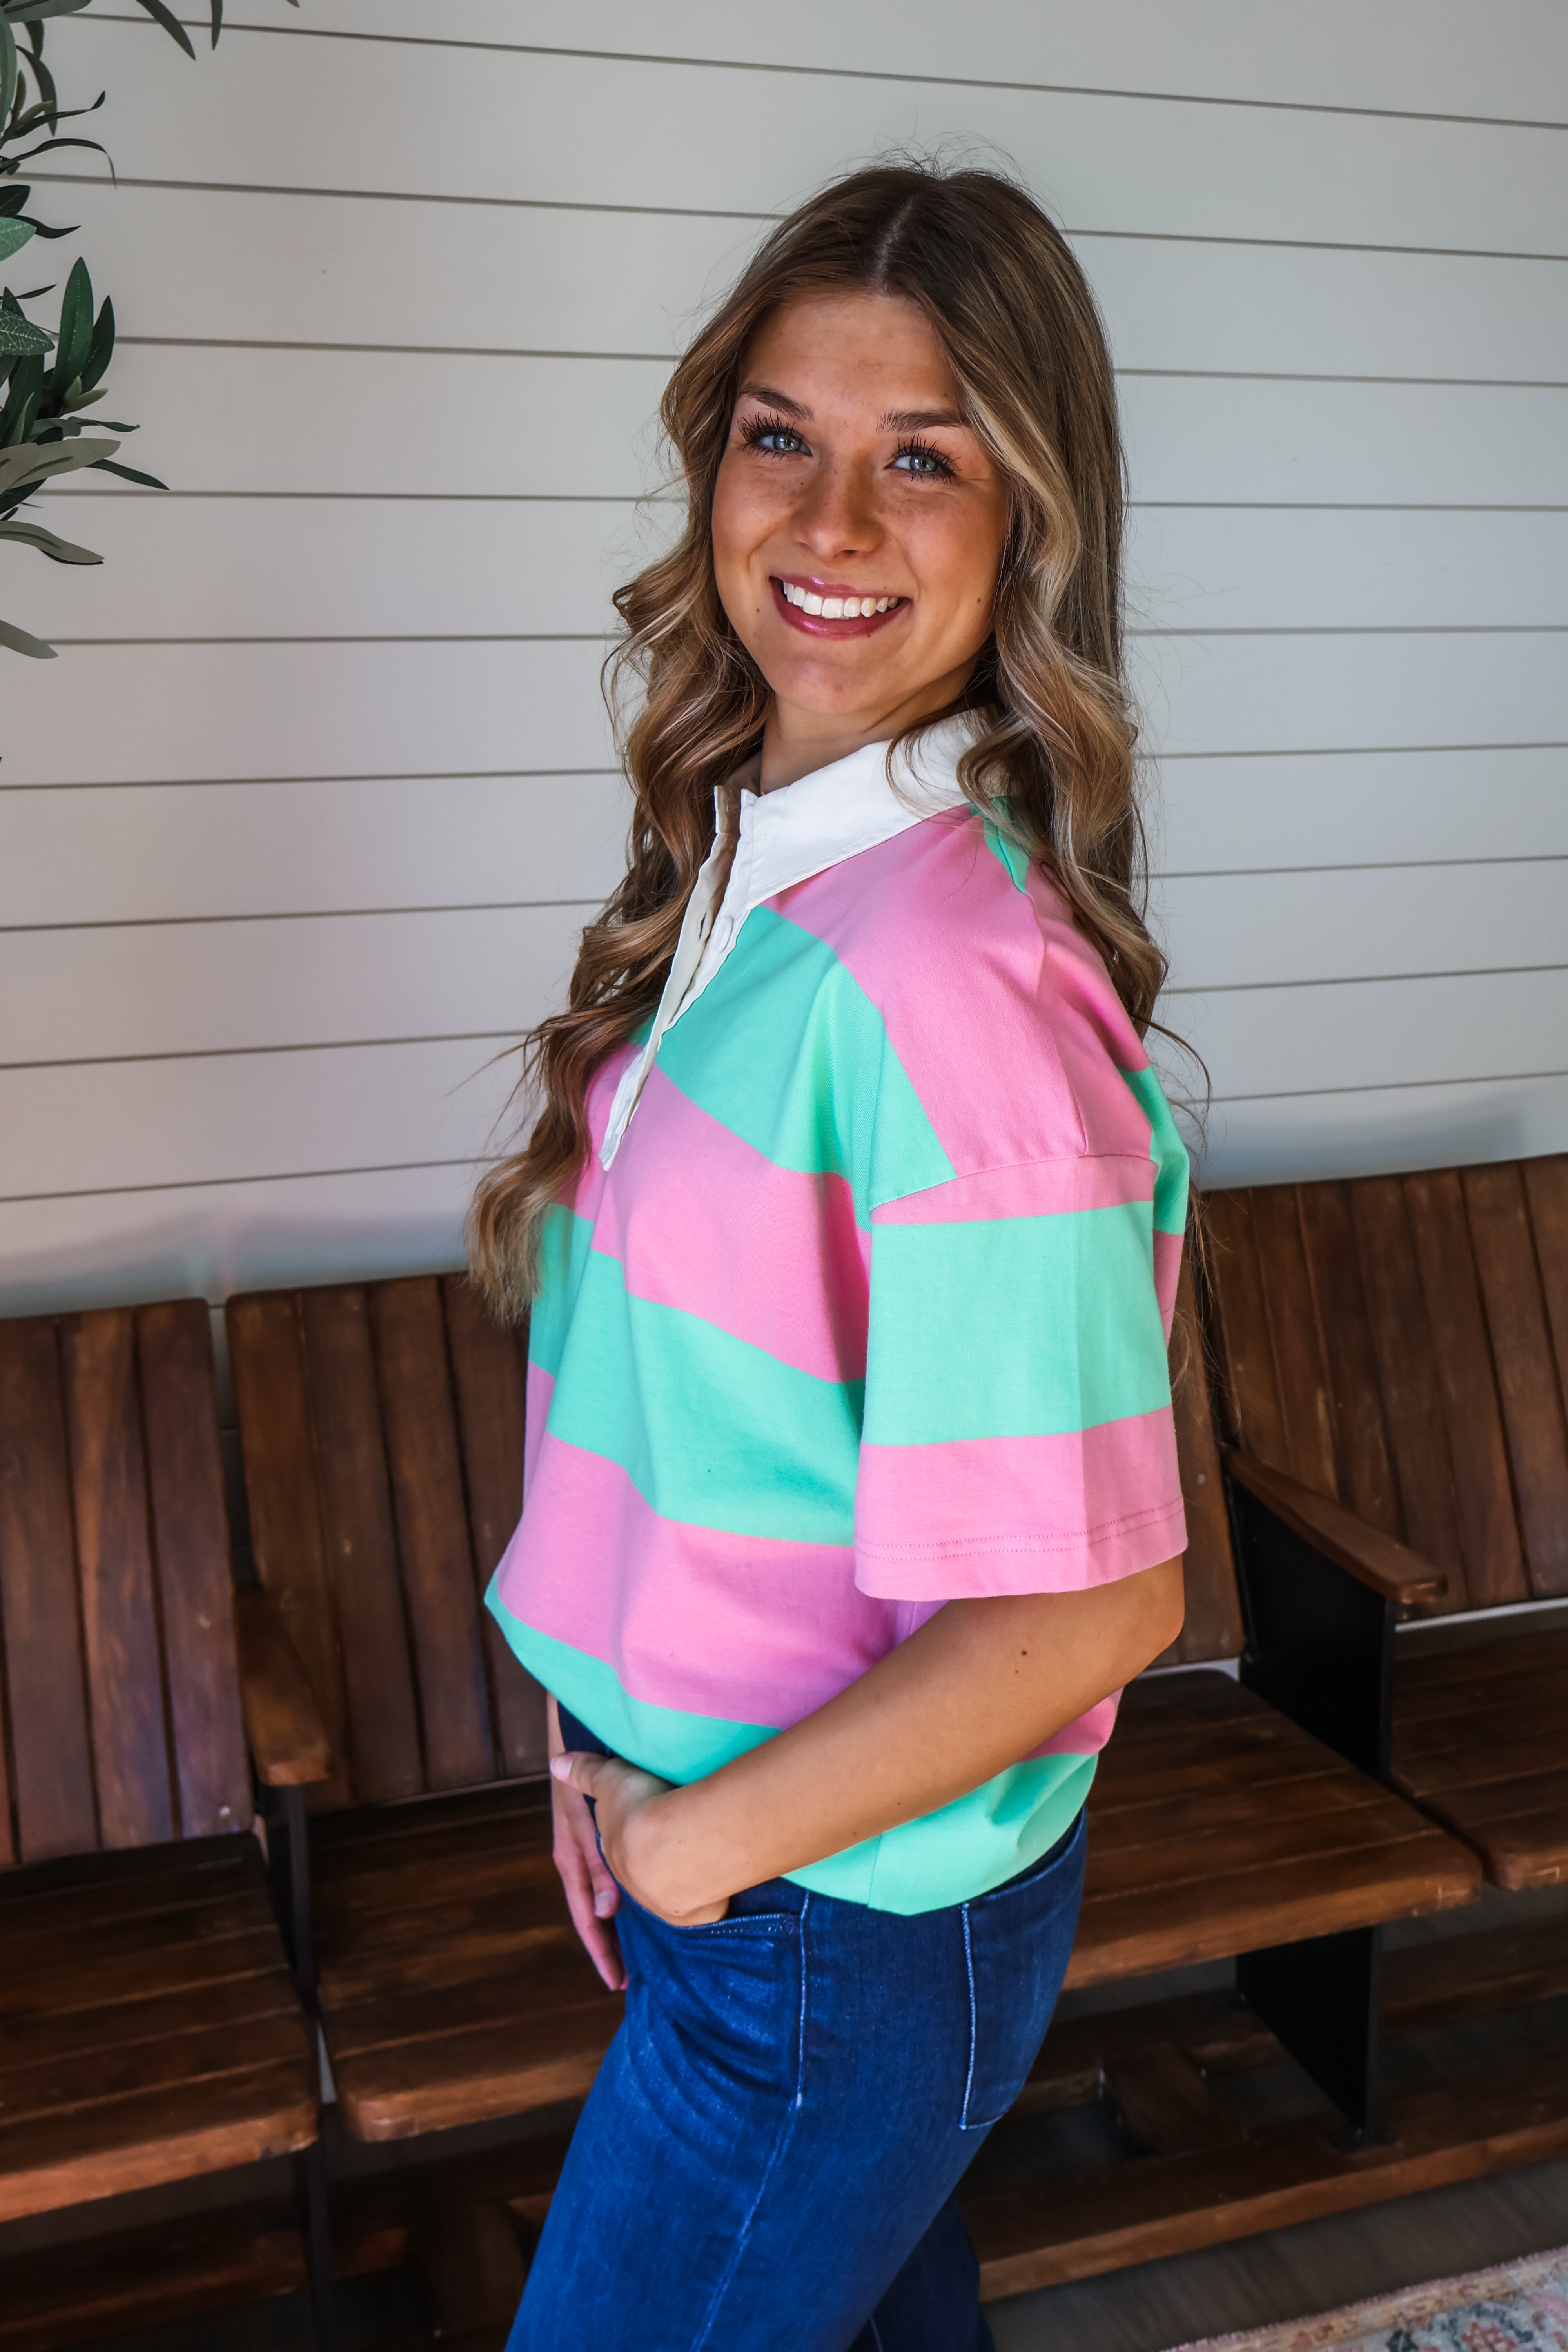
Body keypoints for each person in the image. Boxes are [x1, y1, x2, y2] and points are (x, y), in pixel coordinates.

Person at [470, 160, 1190, 2352]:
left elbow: (1091, 1603)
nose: (833, 522)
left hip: (827, 1916)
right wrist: (610, 1752)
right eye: (783, 436)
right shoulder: (765, 861)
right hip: (750, 1856)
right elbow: (705, 1413)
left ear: (1032, 518)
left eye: (926, 461)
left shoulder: (949, 979)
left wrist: (698, 1848)